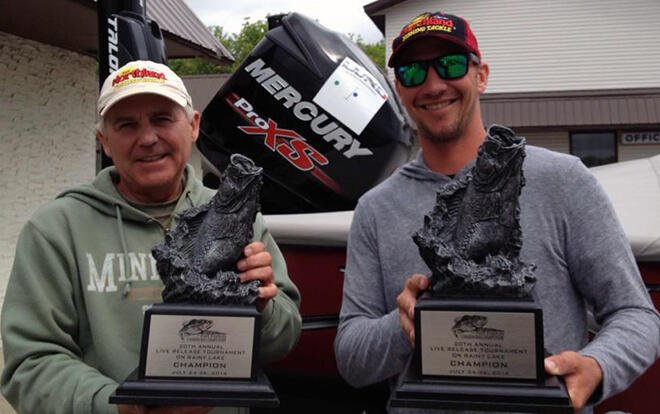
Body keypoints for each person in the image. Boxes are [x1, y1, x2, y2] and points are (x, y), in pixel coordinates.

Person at [334, 11, 660, 414]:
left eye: (451, 65)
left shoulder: (563, 180)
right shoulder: (375, 209)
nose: (433, 84)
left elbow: (636, 314)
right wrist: (404, 326)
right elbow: (351, 359)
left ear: (481, 75)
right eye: (413, 72)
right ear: (399, 89)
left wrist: (597, 367)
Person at [1, 60, 302, 414]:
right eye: (126, 124)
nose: (147, 138)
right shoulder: (55, 230)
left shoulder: (240, 217)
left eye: (162, 119)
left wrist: (262, 306)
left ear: (193, 126)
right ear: (104, 141)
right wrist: (118, 407)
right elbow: (30, 363)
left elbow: (282, 341)